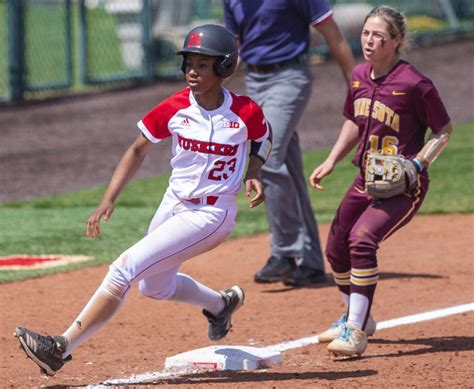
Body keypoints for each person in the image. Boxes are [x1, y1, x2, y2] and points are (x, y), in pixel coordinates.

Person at [14, 24, 273, 376]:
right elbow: (137, 150)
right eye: (189, 63)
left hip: (212, 213)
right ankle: (221, 304)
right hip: (174, 202)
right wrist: (109, 198)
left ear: (225, 68)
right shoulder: (176, 107)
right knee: (154, 286)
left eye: (203, 64)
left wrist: (254, 171)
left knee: (125, 269)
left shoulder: (245, 112)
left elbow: (263, 137)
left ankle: (60, 347)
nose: (192, 71)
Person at [309, 5, 452, 357]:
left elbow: (443, 130)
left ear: (396, 40)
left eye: (379, 36)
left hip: (402, 186)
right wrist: (330, 160)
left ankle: (356, 331)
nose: (370, 41)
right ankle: (356, 316)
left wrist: (417, 164)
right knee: (335, 249)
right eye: (366, 33)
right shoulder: (358, 75)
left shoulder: (414, 83)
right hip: (365, 180)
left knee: (362, 240)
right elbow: (354, 121)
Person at [223, 0, 354, 287]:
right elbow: (234, 48)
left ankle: (284, 253)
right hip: (254, 82)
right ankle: (310, 263)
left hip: (290, 78)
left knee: (267, 158)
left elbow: (333, 34)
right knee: (289, 169)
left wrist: (356, 86)